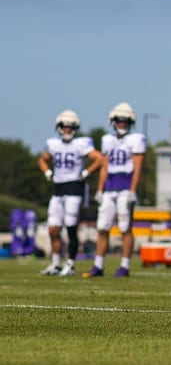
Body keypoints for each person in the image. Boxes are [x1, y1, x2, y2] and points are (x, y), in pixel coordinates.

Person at [37, 111, 104, 276]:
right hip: (58, 188)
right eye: (65, 127)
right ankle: (56, 263)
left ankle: (71, 264)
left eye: (71, 127)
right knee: (53, 228)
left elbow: (99, 158)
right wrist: (47, 173)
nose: (67, 130)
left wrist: (86, 172)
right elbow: (42, 159)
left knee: (71, 228)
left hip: (74, 188)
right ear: (59, 128)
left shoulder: (80, 144)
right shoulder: (53, 144)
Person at [85, 103, 148, 278]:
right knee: (102, 227)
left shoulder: (136, 139)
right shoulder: (107, 139)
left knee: (124, 228)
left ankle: (125, 265)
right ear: (113, 121)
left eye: (125, 120)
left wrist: (132, 190)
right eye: (119, 120)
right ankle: (98, 265)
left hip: (125, 188)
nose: (122, 123)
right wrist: (100, 189)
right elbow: (105, 167)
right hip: (110, 189)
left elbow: (138, 167)